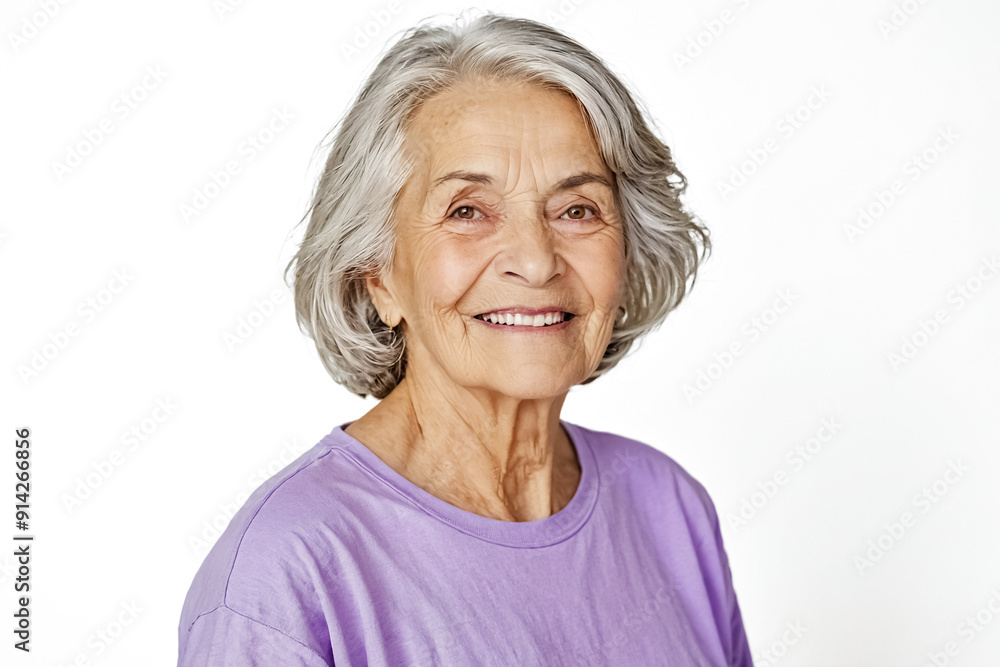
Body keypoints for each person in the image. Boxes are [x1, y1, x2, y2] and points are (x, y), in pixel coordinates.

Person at [178, 12, 753, 666]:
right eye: (468, 211)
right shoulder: (286, 571)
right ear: (379, 276)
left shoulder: (668, 507)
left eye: (577, 209)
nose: (536, 261)